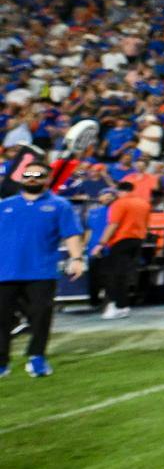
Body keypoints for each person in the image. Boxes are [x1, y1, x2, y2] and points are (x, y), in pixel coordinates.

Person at [0, 157, 84, 378]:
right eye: (28, 174)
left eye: (39, 175)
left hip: (41, 272)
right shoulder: (5, 205)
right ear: (21, 177)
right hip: (5, 272)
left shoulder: (60, 206)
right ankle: (1, 362)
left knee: (40, 317)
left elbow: (71, 234)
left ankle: (36, 357)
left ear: (47, 180)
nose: (32, 178)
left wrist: (76, 258)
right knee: (1, 319)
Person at [98, 177, 151, 319]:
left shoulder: (119, 204)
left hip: (121, 241)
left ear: (119, 191)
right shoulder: (144, 203)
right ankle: (122, 305)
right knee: (125, 275)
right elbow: (146, 224)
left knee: (115, 275)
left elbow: (113, 225)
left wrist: (101, 243)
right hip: (138, 240)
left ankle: (118, 305)